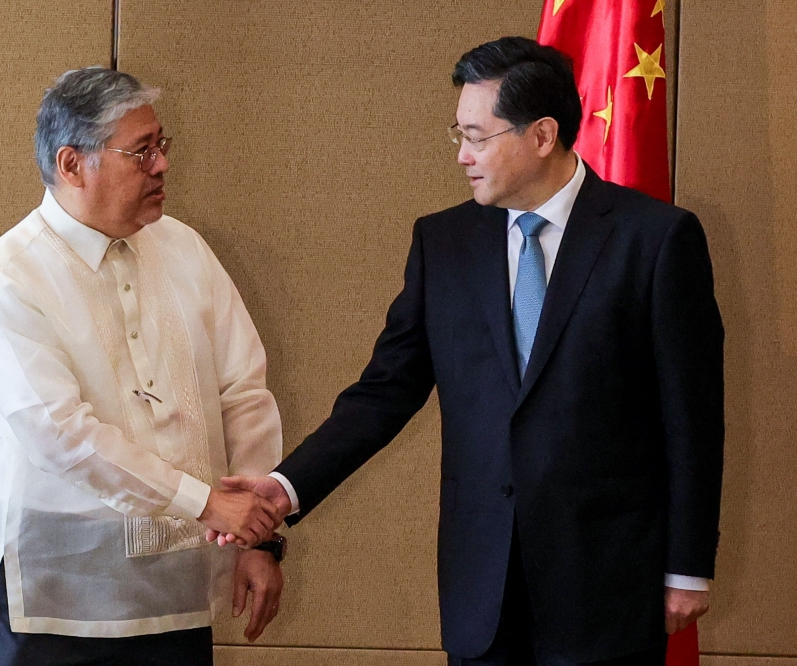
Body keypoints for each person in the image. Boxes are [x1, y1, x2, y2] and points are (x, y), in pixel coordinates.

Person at [210, 37, 724, 666]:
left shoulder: (656, 240)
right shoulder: (443, 243)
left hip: (609, 582)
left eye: (478, 138)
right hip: (482, 588)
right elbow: (384, 392)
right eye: (457, 133)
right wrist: (284, 490)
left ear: (542, 135)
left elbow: (692, 417)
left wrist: (688, 567)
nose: (461, 156)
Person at [0, 67, 287, 666]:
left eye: (161, 146)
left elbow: (244, 392)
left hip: (181, 588)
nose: (162, 165)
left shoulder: (184, 248)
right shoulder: (9, 276)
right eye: (141, 152)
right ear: (71, 164)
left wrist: (259, 539)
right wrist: (207, 503)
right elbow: (62, 436)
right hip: (55, 594)